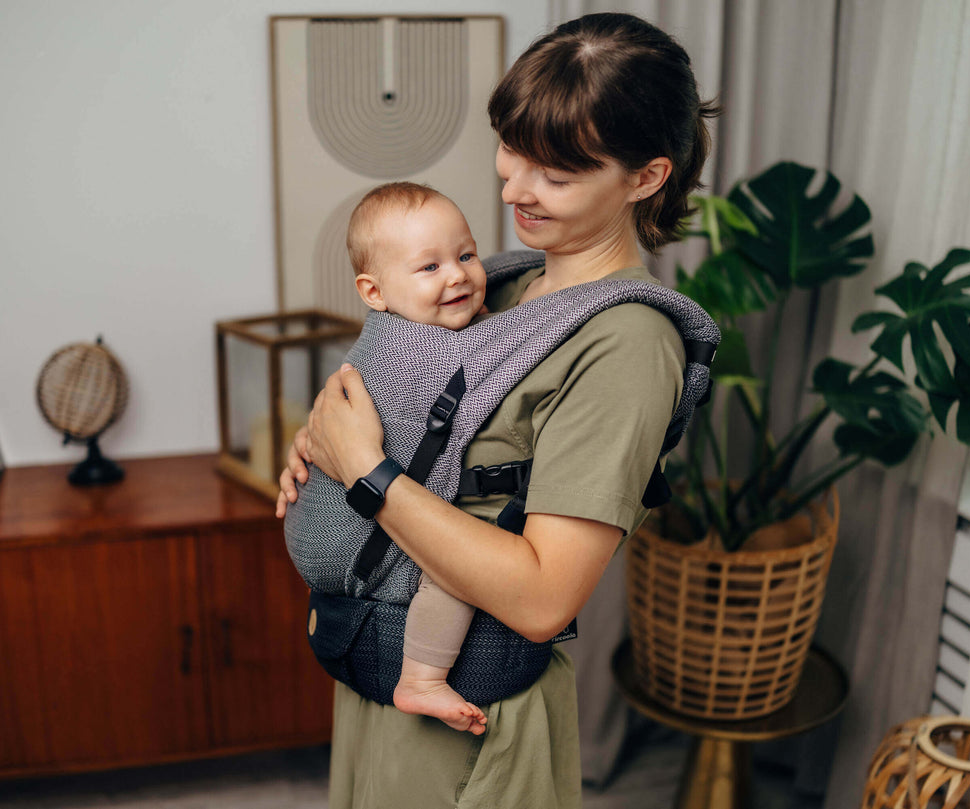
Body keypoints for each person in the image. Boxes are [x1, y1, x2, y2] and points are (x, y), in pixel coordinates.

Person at [277, 13, 719, 808]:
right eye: (512, 147)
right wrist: (319, 445)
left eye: (556, 170)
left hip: (471, 715)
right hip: (372, 666)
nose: (514, 186)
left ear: (646, 176)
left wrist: (365, 472)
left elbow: (544, 597)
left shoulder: (627, 344)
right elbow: (400, 399)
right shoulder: (501, 286)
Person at [342, 180, 491, 735]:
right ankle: (422, 679)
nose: (457, 275)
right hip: (381, 529)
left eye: (467, 255)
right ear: (374, 293)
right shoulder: (402, 358)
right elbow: (335, 414)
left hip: (393, 504)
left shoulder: (452, 326)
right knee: (456, 571)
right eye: (429, 268)